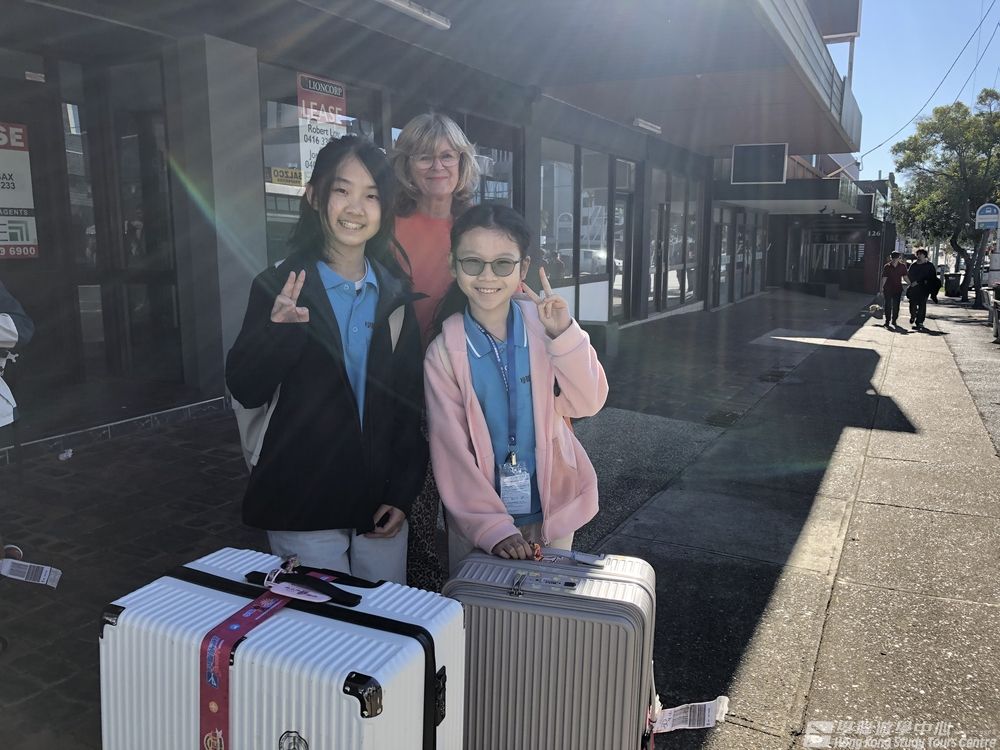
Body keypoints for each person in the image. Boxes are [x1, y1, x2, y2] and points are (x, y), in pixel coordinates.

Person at [226, 136, 426, 583]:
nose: (356, 208)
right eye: (342, 190)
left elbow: (407, 406)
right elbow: (246, 387)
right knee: (320, 625)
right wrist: (279, 334)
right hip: (304, 504)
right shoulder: (279, 286)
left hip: (379, 506)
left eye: (371, 195)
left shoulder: (394, 295)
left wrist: (402, 493)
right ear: (314, 196)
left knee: (383, 620)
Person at [423, 204, 609, 575]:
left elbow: (587, 402)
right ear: (453, 265)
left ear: (522, 269)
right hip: (480, 525)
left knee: (545, 606)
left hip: (552, 509)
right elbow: (451, 451)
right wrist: (493, 529)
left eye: (502, 264)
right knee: (484, 608)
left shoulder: (545, 330)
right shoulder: (444, 352)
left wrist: (564, 335)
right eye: (472, 262)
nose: (487, 275)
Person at [391, 113, 480, 590]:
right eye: (424, 156)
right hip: (407, 384)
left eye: (447, 156)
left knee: (473, 508)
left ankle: (475, 603)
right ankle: (424, 609)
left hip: (468, 383)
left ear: (462, 163)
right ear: (407, 164)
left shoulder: (478, 225)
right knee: (418, 508)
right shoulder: (388, 226)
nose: (437, 166)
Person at [906, 248, 940, 331]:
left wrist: (925, 283)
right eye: (918, 254)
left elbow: (933, 277)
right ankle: (913, 315)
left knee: (922, 305)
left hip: (924, 289)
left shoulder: (929, 266)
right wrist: (911, 282)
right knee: (912, 304)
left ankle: (920, 322)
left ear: (925, 256)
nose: (919, 256)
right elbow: (909, 275)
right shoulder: (913, 265)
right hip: (914, 288)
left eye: (920, 254)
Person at [879, 251, 908, 328]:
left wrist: (910, 283)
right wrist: (881, 289)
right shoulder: (887, 266)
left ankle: (894, 320)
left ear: (899, 258)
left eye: (896, 258)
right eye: (893, 258)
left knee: (896, 306)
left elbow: (905, 277)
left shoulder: (902, 266)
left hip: (898, 289)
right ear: (891, 258)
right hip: (888, 288)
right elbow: (884, 278)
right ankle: (887, 321)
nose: (895, 259)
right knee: (887, 305)